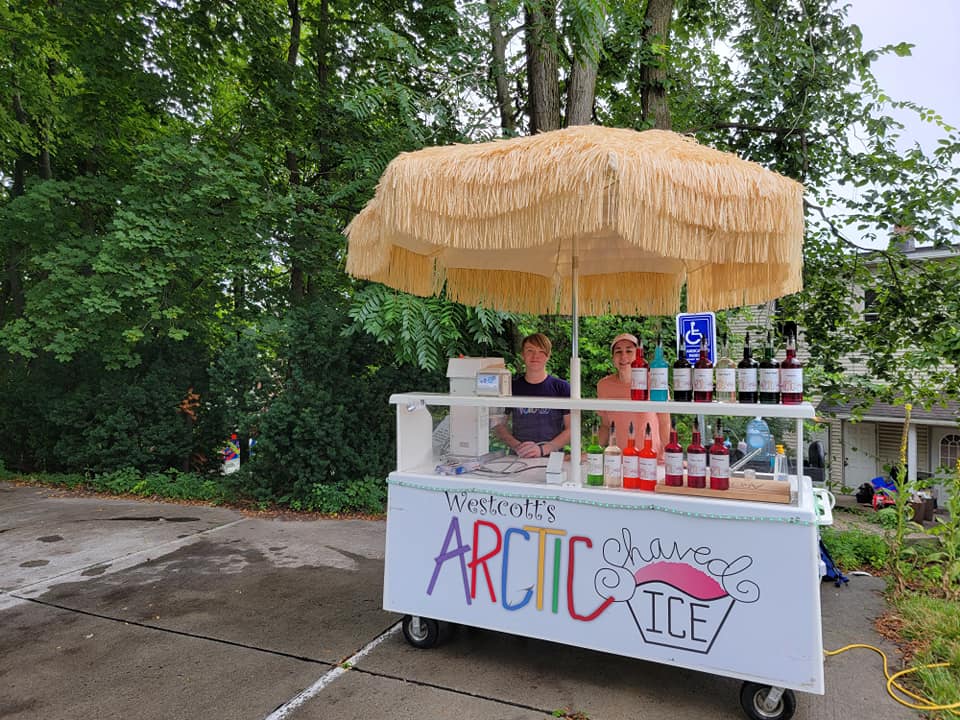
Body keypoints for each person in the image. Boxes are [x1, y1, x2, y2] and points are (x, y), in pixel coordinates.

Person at [597, 333, 671, 462]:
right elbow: (605, 425)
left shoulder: (655, 381)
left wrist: (671, 455)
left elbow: (665, 423)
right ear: (613, 358)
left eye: (629, 351)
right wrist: (592, 451)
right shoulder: (604, 385)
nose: (623, 356)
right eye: (618, 352)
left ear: (638, 354)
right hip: (619, 461)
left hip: (651, 459)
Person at [494, 333, 571, 458]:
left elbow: (571, 429)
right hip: (519, 457)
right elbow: (499, 426)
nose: (535, 356)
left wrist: (542, 450)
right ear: (522, 354)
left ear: (548, 356)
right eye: (530, 351)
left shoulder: (562, 388)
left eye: (541, 351)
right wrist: (518, 447)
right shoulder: (511, 387)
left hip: (552, 458)